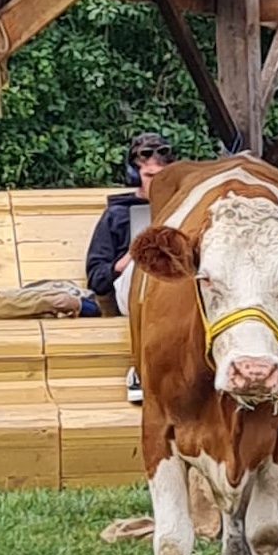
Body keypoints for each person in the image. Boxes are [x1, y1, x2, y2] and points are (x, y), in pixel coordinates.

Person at [85, 131, 177, 403]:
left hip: (176, 289)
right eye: (150, 176)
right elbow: (96, 277)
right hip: (133, 287)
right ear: (136, 175)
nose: (157, 183)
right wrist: (127, 259)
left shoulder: (183, 210)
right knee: (144, 266)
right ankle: (141, 368)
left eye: (162, 176)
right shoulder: (117, 215)